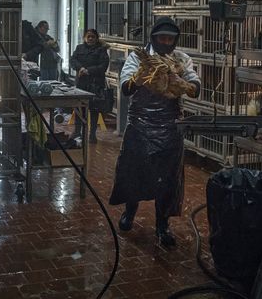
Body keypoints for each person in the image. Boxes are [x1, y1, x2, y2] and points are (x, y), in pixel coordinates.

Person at [109, 16, 200, 248]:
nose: (166, 41)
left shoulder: (181, 59)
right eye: (162, 38)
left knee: (167, 179)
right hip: (140, 125)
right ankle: (130, 211)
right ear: (153, 38)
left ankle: (162, 225)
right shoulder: (137, 58)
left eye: (171, 38)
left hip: (170, 127)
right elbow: (126, 89)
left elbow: (195, 86)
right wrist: (139, 78)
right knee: (134, 172)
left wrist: (188, 86)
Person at [70, 29, 110, 143]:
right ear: (84, 38)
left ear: (97, 38)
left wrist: (88, 70)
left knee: (94, 109)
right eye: (88, 37)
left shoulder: (101, 50)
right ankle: (77, 131)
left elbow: (103, 66)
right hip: (81, 83)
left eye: (93, 37)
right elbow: (73, 60)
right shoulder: (79, 48)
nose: (91, 39)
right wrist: (80, 68)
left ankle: (92, 134)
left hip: (95, 83)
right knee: (79, 108)